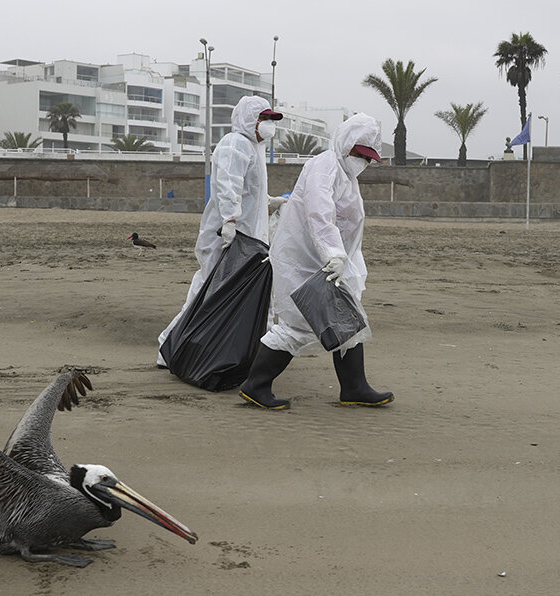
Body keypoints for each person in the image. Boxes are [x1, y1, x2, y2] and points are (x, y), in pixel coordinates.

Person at [239, 113, 394, 410]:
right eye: (360, 154)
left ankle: (354, 387)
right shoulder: (325, 166)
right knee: (299, 324)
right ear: (346, 144)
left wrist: (341, 257)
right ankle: (255, 385)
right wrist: (333, 253)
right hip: (305, 260)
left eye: (369, 158)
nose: (364, 162)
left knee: (346, 319)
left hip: (327, 260)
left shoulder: (345, 173)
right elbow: (319, 214)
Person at [157, 95, 282, 366]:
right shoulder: (235, 144)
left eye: (271, 119)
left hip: (247, 238)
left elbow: (249, 190)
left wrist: (270, 201)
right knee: (207, 290)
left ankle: (250, 351)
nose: (269, 125)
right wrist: (229, 221)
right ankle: (170, 346)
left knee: (238, 292)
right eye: (264, 118)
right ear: (249, 119)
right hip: (228, 237)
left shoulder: (253, 148)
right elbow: (228, 185)